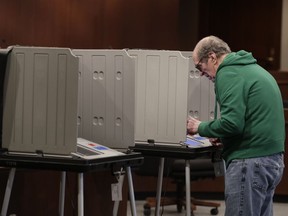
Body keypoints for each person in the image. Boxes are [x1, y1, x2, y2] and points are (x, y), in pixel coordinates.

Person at [187, 35, 285, 216]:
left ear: (212, 57)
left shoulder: (228, 73)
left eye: (199, 66)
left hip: (250, 162)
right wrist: (223, 137)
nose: (201, 73)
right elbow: (249, 120)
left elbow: (232, 124)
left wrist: (200, 127)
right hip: (272, 161)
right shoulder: (251, 69)